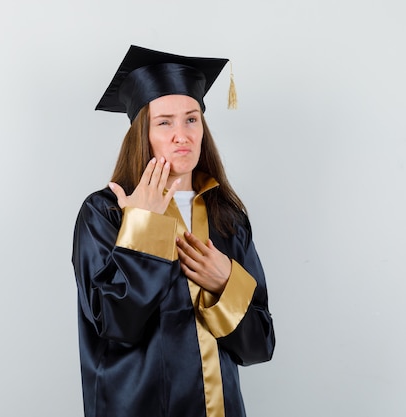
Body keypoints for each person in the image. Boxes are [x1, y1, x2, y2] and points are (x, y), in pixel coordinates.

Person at [71, 45, 276, 417]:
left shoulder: (226, 215)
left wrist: (225, 283)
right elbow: (114, 327)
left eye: (191, 119)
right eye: (164, 122)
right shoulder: (105, 213)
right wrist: (144, 228)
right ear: (142, 133)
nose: (182, 135)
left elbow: (259, 346)